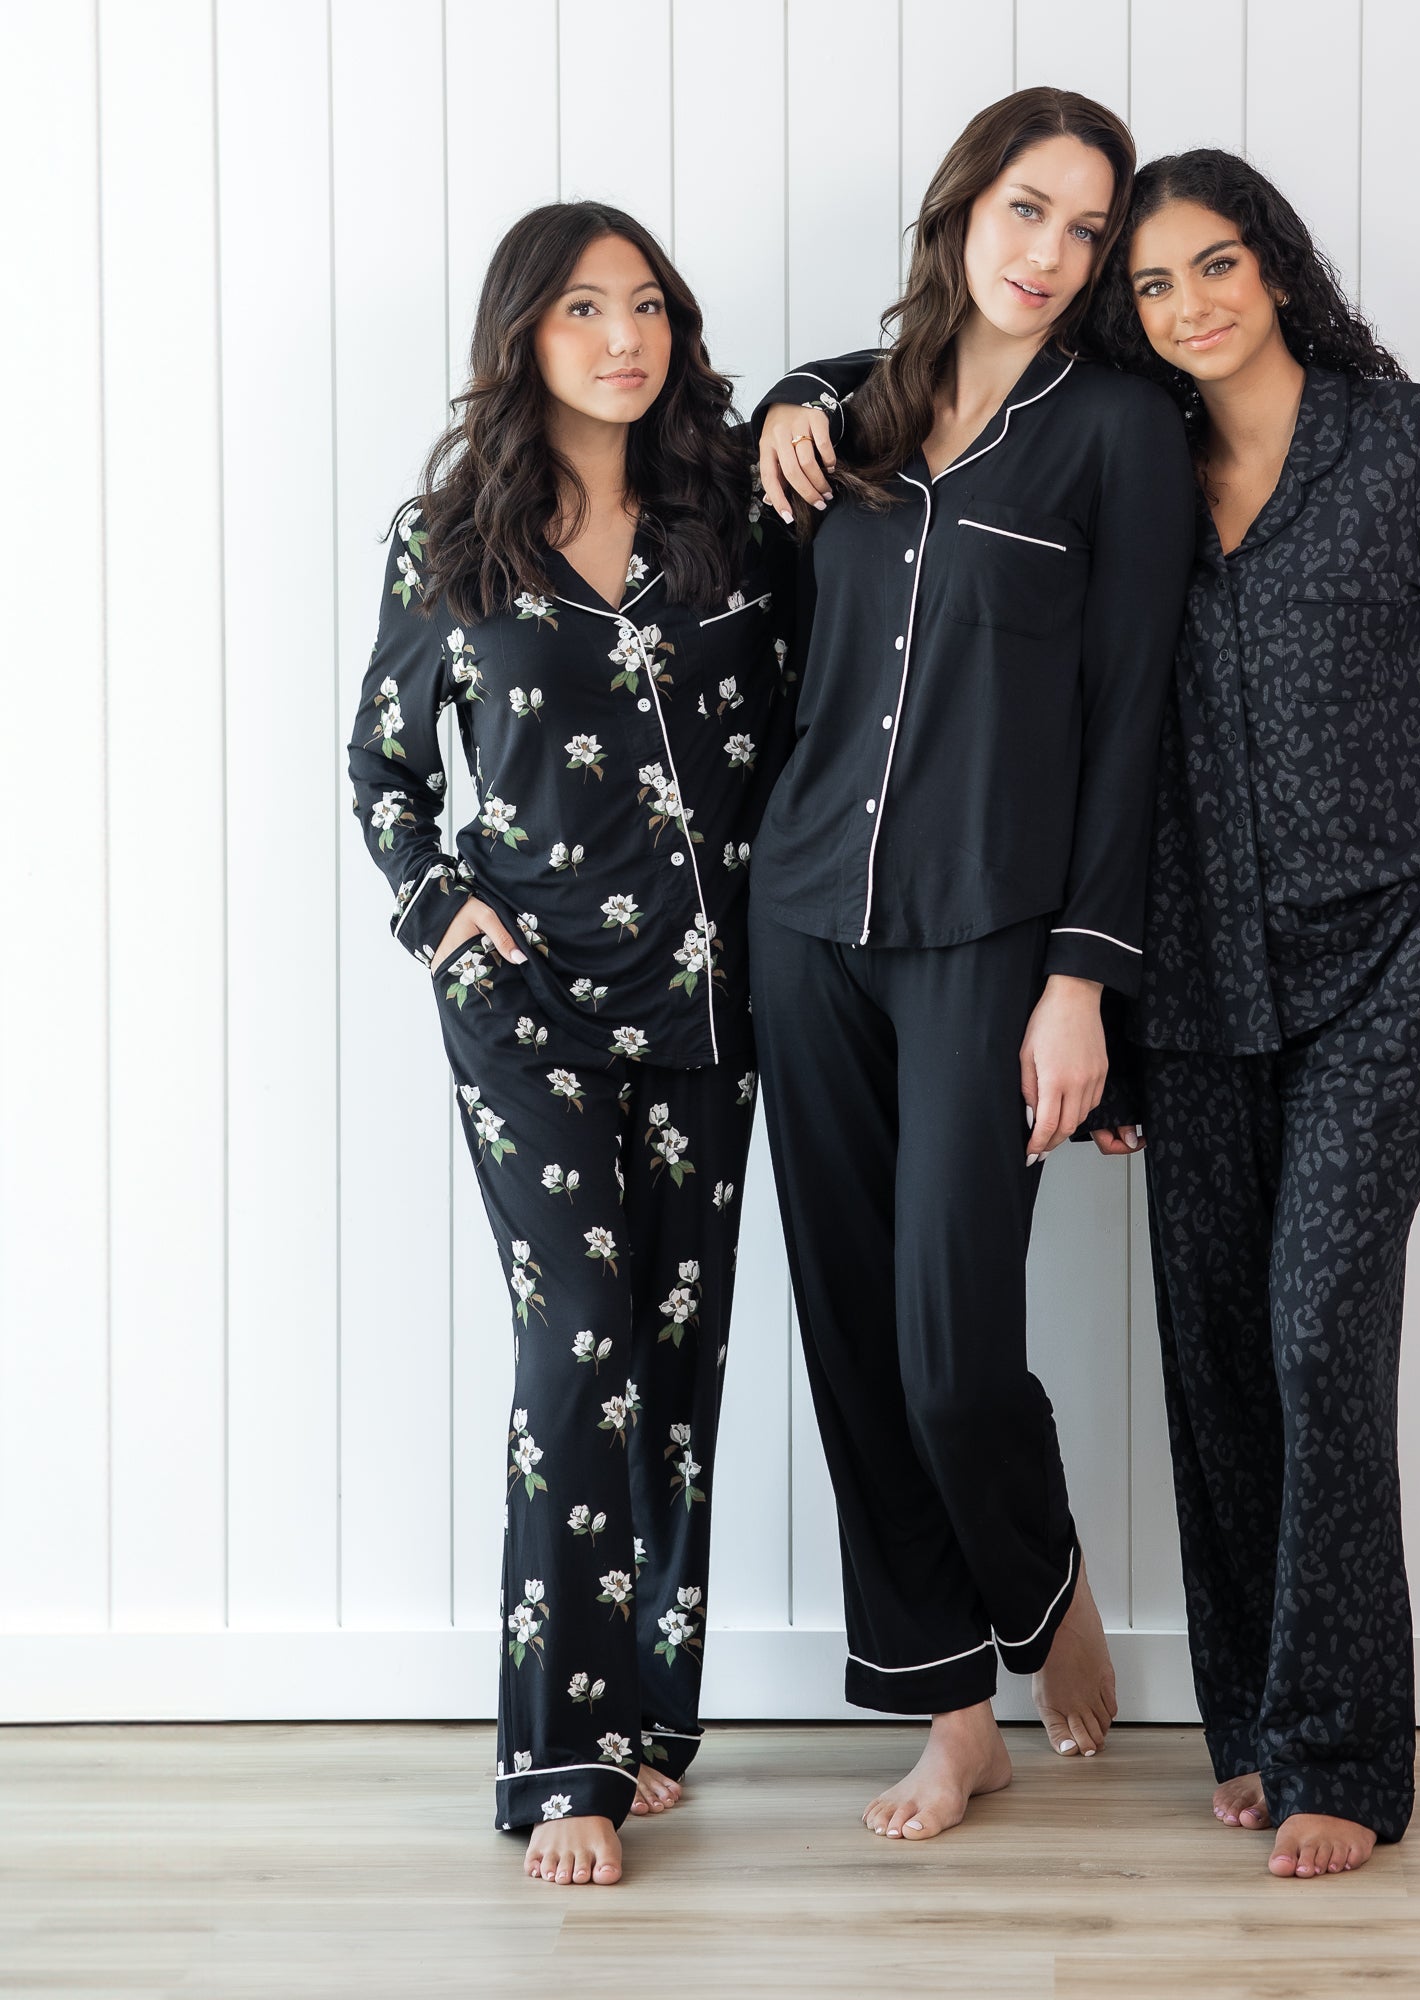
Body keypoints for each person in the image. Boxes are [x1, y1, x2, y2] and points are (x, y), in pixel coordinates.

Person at [761, 145, 1420, 1883]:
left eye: (1213, 268)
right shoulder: (1129, 451)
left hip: (1381, 964)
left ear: (1277, 268)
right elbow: (929, 398)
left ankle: (1345, 1753)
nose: (1184, 303)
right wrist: (1112, 1006)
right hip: (1195, 983)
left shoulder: (1405, 444)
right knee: (1212, 1360)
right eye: (1153, 283)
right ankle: (1260, 1728)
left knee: (1312, 1335)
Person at [745, 87, 1197, 1843]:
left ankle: (1042, 1582)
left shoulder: (1120, 434)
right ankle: (956, 1714)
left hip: (989, 943)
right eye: (1031, 210)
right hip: (809, 928)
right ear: (961, 209)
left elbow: (1131, 714)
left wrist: (1084, 981)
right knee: (856, 1342)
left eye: (1088, 231)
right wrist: (783, 398)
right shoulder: (843, 414)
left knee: (949, 1341)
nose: (1055, 256)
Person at [345, 201, 793, 1888]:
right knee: (579, 1348)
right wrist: (444, 915)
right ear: (523, 334)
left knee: (678, 1373)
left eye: (650, 306)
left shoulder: (735, 516)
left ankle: (645, 1725)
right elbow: (386, 771)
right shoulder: (449, 537)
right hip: (528, 1011)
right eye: (585, 309)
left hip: (719, 1008)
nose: (625, 337)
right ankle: (558, 1763)